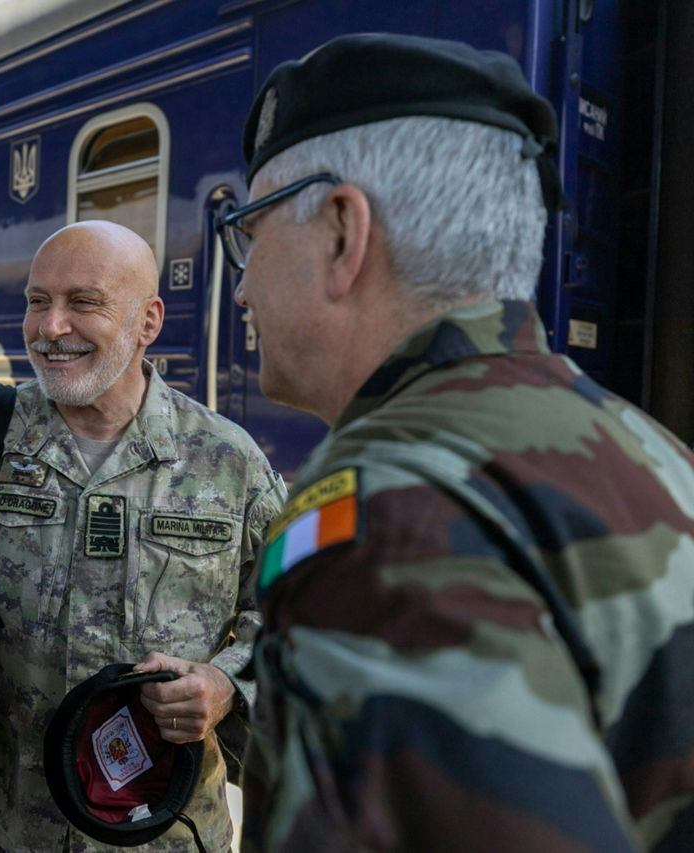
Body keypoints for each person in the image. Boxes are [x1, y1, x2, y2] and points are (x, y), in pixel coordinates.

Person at [222, 34, 694, 851]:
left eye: (250, 232)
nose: (240, 281)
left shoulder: (391, 514)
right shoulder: (649, 449)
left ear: (341, 234)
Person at [0, 220, 287, 851]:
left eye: (83, 303)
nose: (50, 327)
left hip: (163, 831)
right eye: (37, 302)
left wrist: (225, 685)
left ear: (147, 323)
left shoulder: (228, 461)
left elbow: (295, 617)